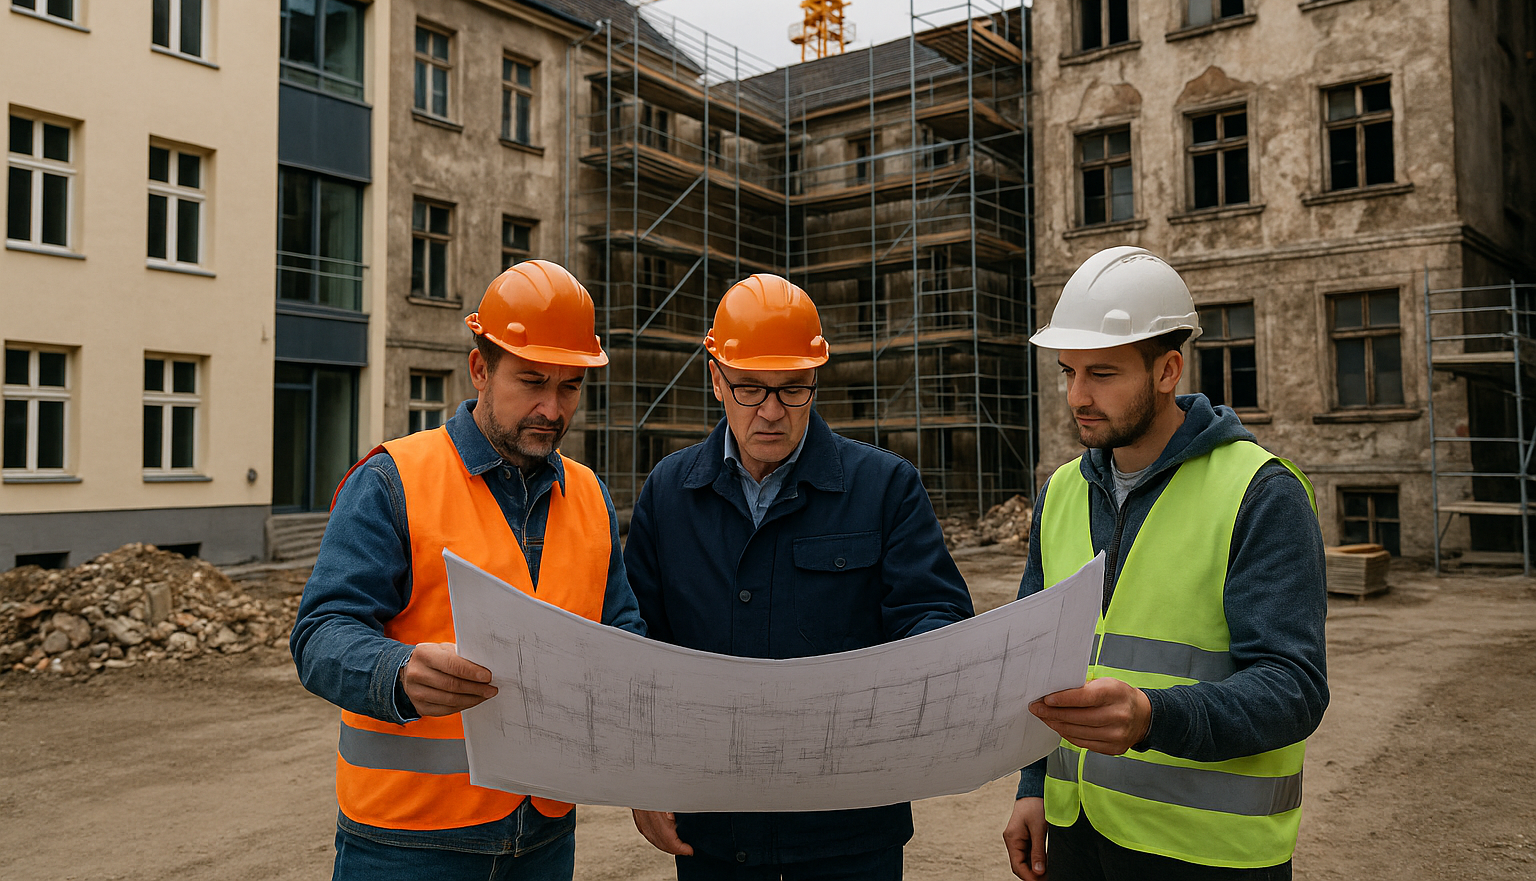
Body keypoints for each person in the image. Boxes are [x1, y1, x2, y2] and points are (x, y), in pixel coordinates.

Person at [291, 260, 646, 881]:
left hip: (544, 834)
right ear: (480, 368)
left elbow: (620, 629)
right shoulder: (392, 481)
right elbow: (320, 634)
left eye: (569, 387)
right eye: (532, 381)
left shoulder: (589, 495)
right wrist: (396, 672)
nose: (551, 408)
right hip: (408, 845)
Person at [624, 273, 974, 881]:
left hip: (850, 827)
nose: (771, 413)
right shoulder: (669, 494)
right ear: (715, 379)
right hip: (716, 827)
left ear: (816, 381)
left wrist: (919, 665)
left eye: (792, 391)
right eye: (751, 390)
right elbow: (637, 648)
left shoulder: (884, 488)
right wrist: (643, 774)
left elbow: (935, 615)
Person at [1001, 246, 1329, 881]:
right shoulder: (1063, 491)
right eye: (1068, 372)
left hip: (1207, 853)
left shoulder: (1261, 492)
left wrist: (1154, 717)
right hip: (1078, 836)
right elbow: (1039, 666)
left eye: (1101, 373)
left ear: (1167, 369)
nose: (1077, 396)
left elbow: (1294, 688)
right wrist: (1032, 787)